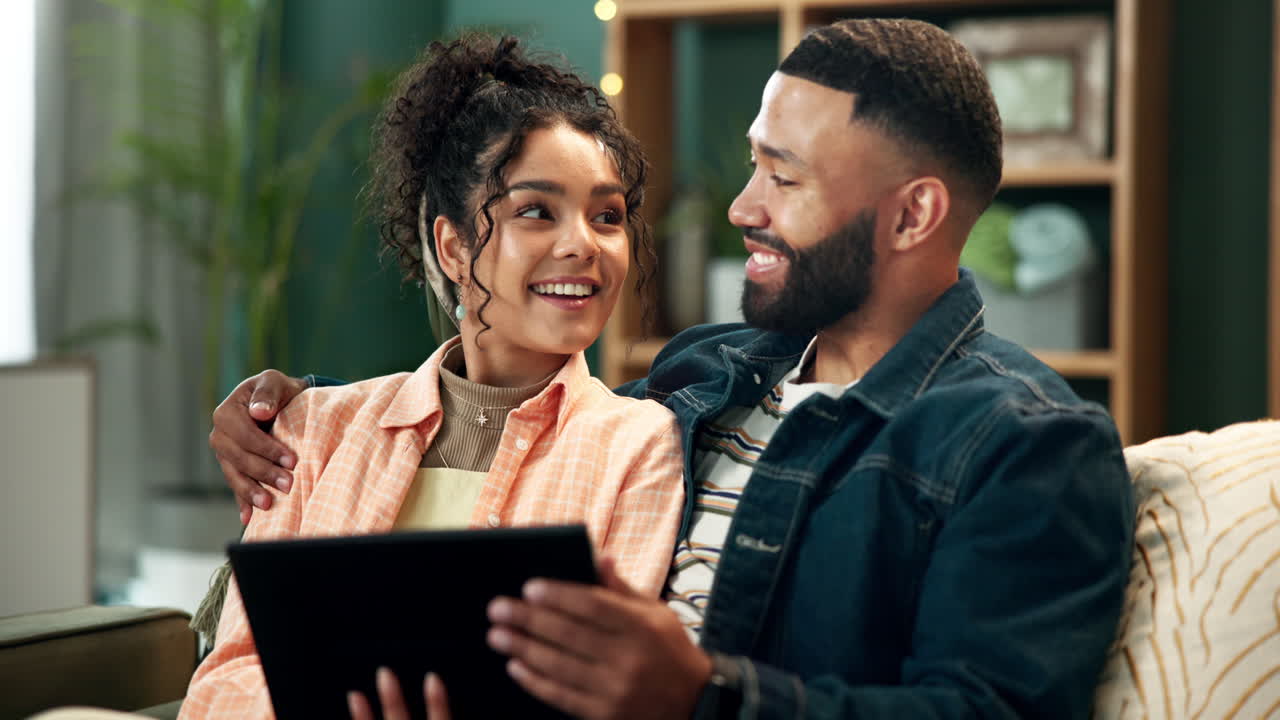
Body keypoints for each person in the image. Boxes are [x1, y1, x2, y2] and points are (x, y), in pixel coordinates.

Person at [213, 18, 1136, 719]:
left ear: (912, 215)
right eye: (751, 166)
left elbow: (983, 712)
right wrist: (290, 413)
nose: (742, 206)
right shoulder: (706, 371)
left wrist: (706, 692)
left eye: (784, 176)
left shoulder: (1028, 444)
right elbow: (516, 431)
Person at [179, 33, 687, 720]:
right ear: (454, 247)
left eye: (608, 216)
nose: (583, 245)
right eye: (537, 210)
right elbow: (224, 681)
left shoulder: (637, 445)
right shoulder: (314, 429)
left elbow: (603, 692)